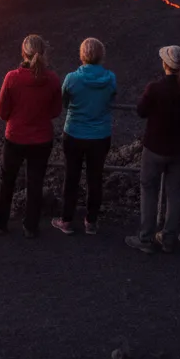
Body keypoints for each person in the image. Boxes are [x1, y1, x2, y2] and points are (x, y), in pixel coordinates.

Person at [126, 46, 180, 254]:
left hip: (155, 148)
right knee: (174, 192)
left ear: (165, 64)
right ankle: (168, 239)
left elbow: (141, 111)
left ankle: (146, 239)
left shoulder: (155, 88)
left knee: (149, 191)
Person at [0, 34, 62, 238]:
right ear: (44, 52)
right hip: (42, 139)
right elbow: (56, 111)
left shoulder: (12, 77)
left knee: (7, 180)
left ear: (23, 53)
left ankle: (0, 223)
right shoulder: (53, 79)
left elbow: (2, 112)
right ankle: (31, 226)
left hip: (15, 138)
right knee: (35, 182)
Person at [54, 37, 117, 235]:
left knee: (71, 177)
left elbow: (63, 102)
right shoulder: (110, 78)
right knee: (95, 178)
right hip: (100, 136)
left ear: (82, 55)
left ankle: (66, 220)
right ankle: (91, 222)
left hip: (74, 134)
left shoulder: (72, 78)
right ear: (101, 55)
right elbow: (111, 99)